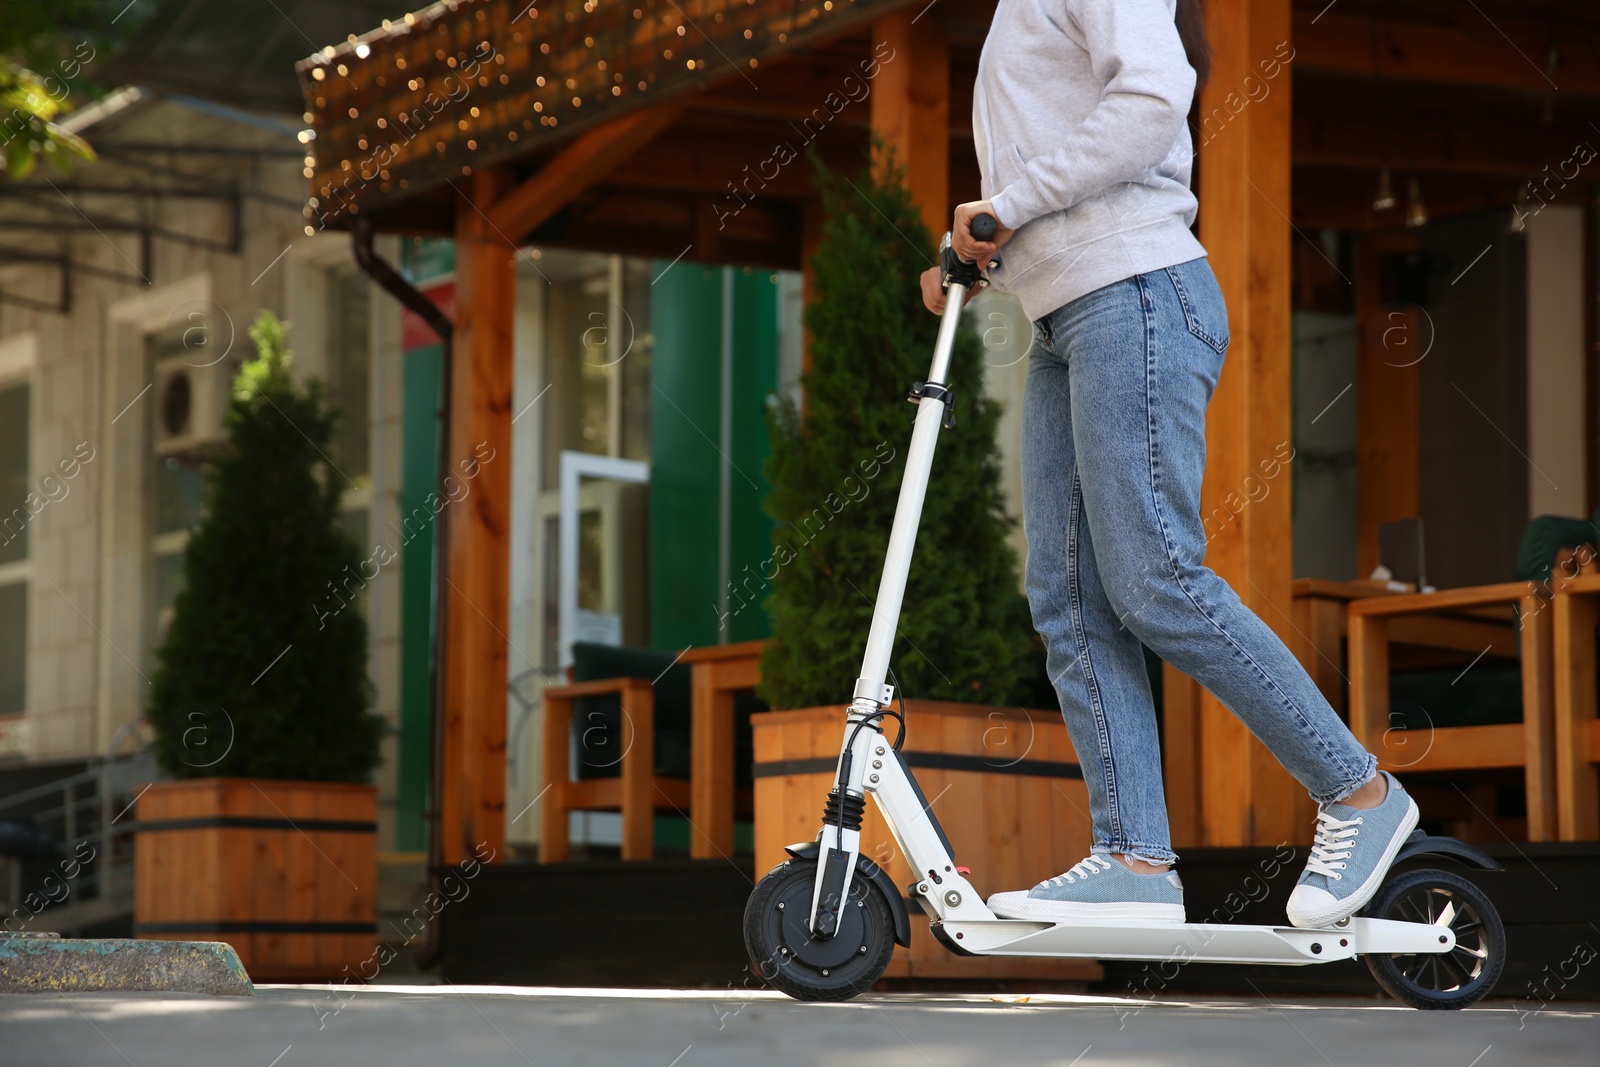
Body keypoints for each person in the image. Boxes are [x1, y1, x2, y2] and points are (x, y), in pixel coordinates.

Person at [919, 0, 1416, 930]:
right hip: (1070, 314)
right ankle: (1136, 858)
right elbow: (1061, 157)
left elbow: (1155, 99)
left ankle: (1359, 793)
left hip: (1137, 296)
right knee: (1068, 597)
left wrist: (1010, 208)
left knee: (1155, 580)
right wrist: (983, 250)